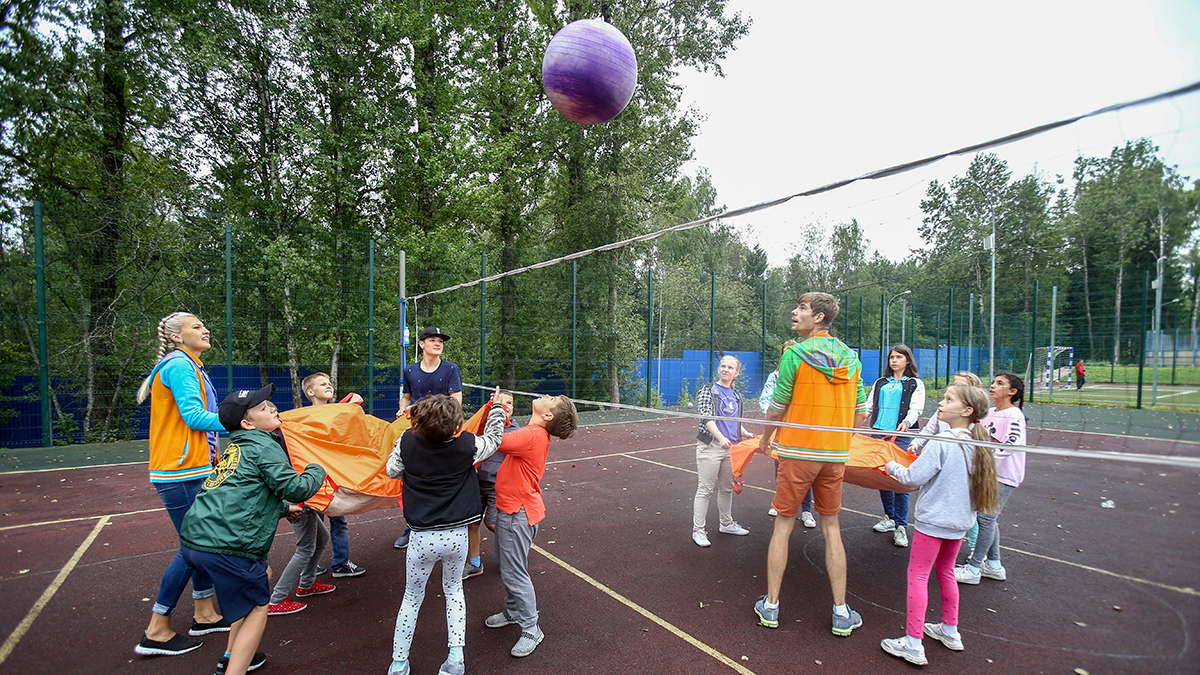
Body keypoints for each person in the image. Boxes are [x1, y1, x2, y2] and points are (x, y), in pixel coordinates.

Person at [179, 384, 326, 675]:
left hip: (195, 541)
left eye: (270, 404)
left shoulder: (236, 447)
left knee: (262, 577)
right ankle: (234, 669)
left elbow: (243, 492)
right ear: (247, 423)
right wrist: (317, 468)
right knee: (259, 606)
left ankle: (231, 654)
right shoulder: (264, 445)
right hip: (228, 546)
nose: (272, 409)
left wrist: (283, 509)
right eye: (262, 408)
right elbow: (295, 488)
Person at [753, 292, 868, 637]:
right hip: (833, 457)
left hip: (797, 454)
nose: (794, 312)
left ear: (818, 318)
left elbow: (776, 408)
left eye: (801, 308)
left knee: (784, 526)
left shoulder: (795, 354)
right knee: (831, 528)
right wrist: (837, 439)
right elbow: (860, 414)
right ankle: (841, 612)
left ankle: (771, 606)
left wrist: (764, 439)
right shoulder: (852, 359)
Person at [385, 393, 507, 675]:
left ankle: (399, 663)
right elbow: (493, 440)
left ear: (418, 423)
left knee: (412, 598)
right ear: (456, 427)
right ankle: (455, 660)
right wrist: (497, 408)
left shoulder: (407, 441)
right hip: (456, 536)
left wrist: (406, 438)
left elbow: (392, 471)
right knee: (453, 591)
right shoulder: (467, 444)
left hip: (421, 538)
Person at [878, 385, 999, 665]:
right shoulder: (977, 441)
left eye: (948, 400)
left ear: (967, 411)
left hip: (933, 522)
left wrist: (890, 464)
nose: (941, 404)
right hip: (959, 524)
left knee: (918, 576)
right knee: (945, 572)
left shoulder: (943, 440)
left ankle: (913, 642)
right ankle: (950, 630)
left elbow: (911, 477)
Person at [133, 312, 229, 657]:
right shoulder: (178, 365)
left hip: (194, 468)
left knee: (198, 543)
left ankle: (205, 613)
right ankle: (156, 629)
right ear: (176, 337)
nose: (206, 330)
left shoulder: (191, 365)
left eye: (205, 325)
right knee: (193, 547)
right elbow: (193, 416)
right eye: (197, 327)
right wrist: (242, 419)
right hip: (180, 471)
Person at [484, 394, 578, 658]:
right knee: (508, 566)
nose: (545, 395)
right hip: (513, 511)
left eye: (551, 399)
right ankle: (514, 611)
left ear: (547, 415)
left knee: (514, 573)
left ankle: (531, 629)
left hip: (518, 514)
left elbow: (494, 441)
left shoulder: (533, 435)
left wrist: (497, 410)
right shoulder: (531, 432)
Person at [394, 326, 463, 550]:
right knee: (412, 480)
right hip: (416, 431)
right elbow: (406, 398)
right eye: (432, 340)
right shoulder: (410, 371)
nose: (438, 343)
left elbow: (456, 402)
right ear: (421, 344)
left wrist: (426, 410)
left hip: (443, 431)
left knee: (444, 477)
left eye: (440, 341)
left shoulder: (451, 368)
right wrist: (402, 409)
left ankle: (448, 522)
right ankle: (411, 526)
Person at [955, 372, 1027, 585]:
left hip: (1003, 475)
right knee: (987, 518)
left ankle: (974, 568)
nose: (993, 386)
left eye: (1000, 383)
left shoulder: (1014, 415)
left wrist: (985, 459)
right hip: (987, 473)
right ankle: (994, 565)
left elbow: (1011, 445)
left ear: (1012, 392)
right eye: (994, 382)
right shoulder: (990, 413)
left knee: (986, 518)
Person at [301, 372, 366, 578]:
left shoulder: (337, 412)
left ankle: (340, 563)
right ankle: (309, 565)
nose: (328, 386)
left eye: (329, 383)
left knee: (339, 519)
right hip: (315, 479)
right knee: (315, 523)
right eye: (322, 384)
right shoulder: (303, 418)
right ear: (310, 392)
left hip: (336, 476)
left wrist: (351, 406)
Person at [863, 345, 926, 548]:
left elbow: (916, 408)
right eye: (892, 357)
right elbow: (868, 406)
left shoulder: (915, 383)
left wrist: (906, 422)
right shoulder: (881, 382)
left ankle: (901, 526)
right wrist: (855, 422)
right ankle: (889, 517)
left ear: (908, 360)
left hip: (901, 435)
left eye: (899, 357)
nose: (894, 360)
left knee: (900, 480)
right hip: (879, 432)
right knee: (882, 477)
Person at [691, 354, 753, 547]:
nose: (726, 370)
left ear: (736, 373)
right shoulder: (708, 390)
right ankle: (698, 530)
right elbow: (706, 418)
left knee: (727, 488)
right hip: (711, 446)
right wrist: (721, 438)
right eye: (723, 366)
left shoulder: (736, 395)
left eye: (730, 368)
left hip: (731, 448)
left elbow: (734, 422)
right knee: (705, 489)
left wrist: (745, 432)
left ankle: (726, 523)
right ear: (719, 369)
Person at [466, 390, 523, 579]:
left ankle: (514, 550)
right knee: (472, 524)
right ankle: (474, 563)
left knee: (492, 523)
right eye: (501, 401)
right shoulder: (482, 426)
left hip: (496, 485)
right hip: (475, 483)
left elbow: (497, 441)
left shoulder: (515, 431)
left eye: (510, 403)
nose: (507, 405)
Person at [759, 340, 815, 528]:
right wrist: (776, 418)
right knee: (781, 468)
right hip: (781, 430)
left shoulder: (807, 376)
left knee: (804, 470)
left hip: (802, 432)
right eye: (786, 353)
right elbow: (765, 400)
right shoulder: (774, 377)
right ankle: (781, 502)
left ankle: (806, 510)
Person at [908, 371, 982, 454]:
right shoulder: (942, 411)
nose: (956, 388)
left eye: (961, 386)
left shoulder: (976, 419)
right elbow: (929, 430)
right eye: (954, 385)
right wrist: (915, 444)